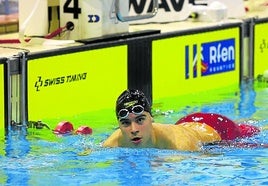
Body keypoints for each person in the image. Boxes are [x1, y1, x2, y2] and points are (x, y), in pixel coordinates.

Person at [102, 89, 261, 151]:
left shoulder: (179, 147)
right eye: (125, 123)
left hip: (217, 129)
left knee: (250, 133)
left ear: (152, 118)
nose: (133, 128)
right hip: (184, 123)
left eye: (140, 120)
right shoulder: (114, 141)